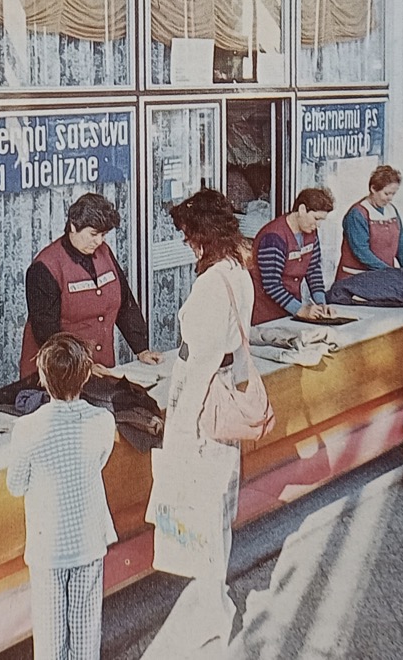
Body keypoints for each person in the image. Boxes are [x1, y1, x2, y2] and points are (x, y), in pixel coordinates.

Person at [150, 188, 252, 652]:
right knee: (219, 508)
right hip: (225, 392)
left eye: (188, 234)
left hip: (203, 402)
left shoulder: (212, 284)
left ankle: (211, 611)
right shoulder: (237, 270)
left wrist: (182, 429)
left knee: (203, 508)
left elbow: (202, 361)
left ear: (202, 234)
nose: (185, 242)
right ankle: (214, 600)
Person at [6, 332, 117, 660]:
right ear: (86, 376)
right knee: (85, 630)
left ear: (42, 378)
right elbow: (98, 462)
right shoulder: (103, 420)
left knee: (50, 635)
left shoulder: (27, 429)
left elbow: (15, 486)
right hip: (89, 541)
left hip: (48, 547)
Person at [20, 193, 162, 378]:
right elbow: (46, 333)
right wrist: (83, 366)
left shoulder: (104, 252)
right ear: (73, 226)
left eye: (103, 235)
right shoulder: (44, 267)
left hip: (100, 369)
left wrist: (141, 349)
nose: (99, 241)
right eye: (93, 234)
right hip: (58, 376)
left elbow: (125, 304)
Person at [249, 187, 336, 324]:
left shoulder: (311, 233)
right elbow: (271, 284)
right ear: (302, 209)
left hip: (290, 311)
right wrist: (300, 309)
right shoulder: (273, 237)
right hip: (266, 314)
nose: (318, 225)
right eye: (316, 218)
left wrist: (321, 304)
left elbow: (313, 270)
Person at [335, 164, 403, 281]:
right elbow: (361, 251)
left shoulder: (392, 211)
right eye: (386, 193)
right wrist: (388, 271)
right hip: (356, 277)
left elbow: (401, 244)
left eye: (393, 194)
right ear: (373, 189)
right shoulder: (357, 214)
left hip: (383, 276)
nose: (390, 198)